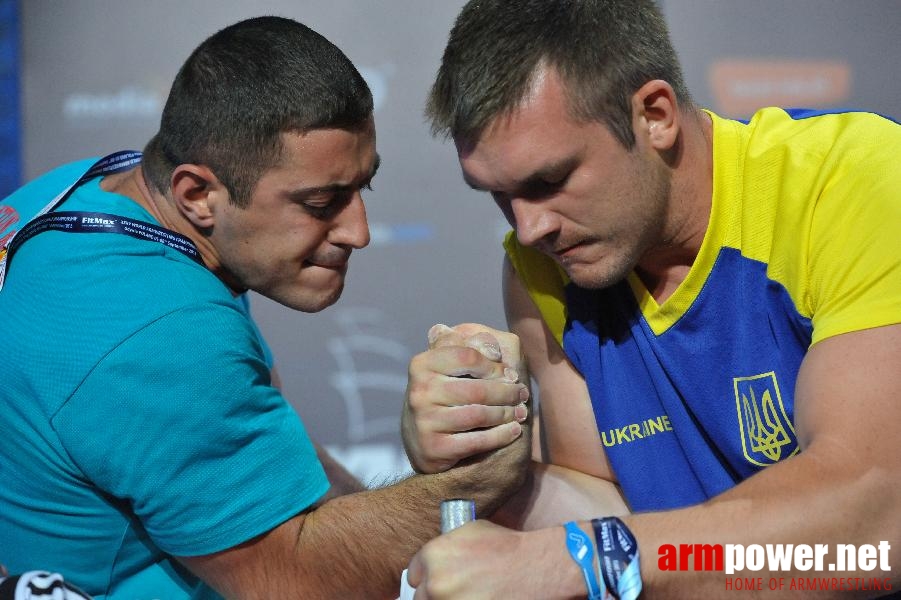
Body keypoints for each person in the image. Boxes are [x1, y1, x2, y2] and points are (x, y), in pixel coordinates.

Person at [0, 16, 532, 599]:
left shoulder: (82, 190)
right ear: (197, 195)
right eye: (322, 203)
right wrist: (475, 483)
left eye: (362, 189)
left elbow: (265, 463)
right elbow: (295, 581)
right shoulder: (165, 335)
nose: (358, 231)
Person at [401, 0, 901, 597]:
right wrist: (472, 456)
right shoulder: (542, 268)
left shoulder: (853, 182)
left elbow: (876, 523)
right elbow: (605, 509)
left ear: (655, 115)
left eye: (549, 181)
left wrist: (576, 563)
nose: (529, 228)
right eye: (499, 194)